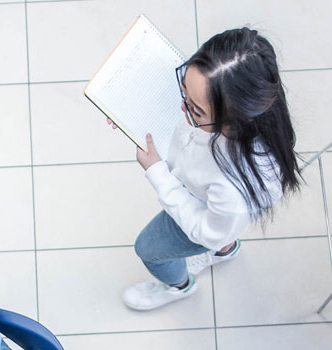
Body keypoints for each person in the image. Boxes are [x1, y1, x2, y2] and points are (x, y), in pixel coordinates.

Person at [120, 27, 301, 311]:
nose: (183, 108)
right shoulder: (236, 105)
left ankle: (180, 286)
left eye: (196, 111)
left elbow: (208, 230)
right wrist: (132, 115)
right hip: (211, 205)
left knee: (148, 249)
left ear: (236, 119)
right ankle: (225, 250)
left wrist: (157, 173)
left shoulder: (232, 190)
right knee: (224, 231)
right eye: (184, 91)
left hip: (200, 210)